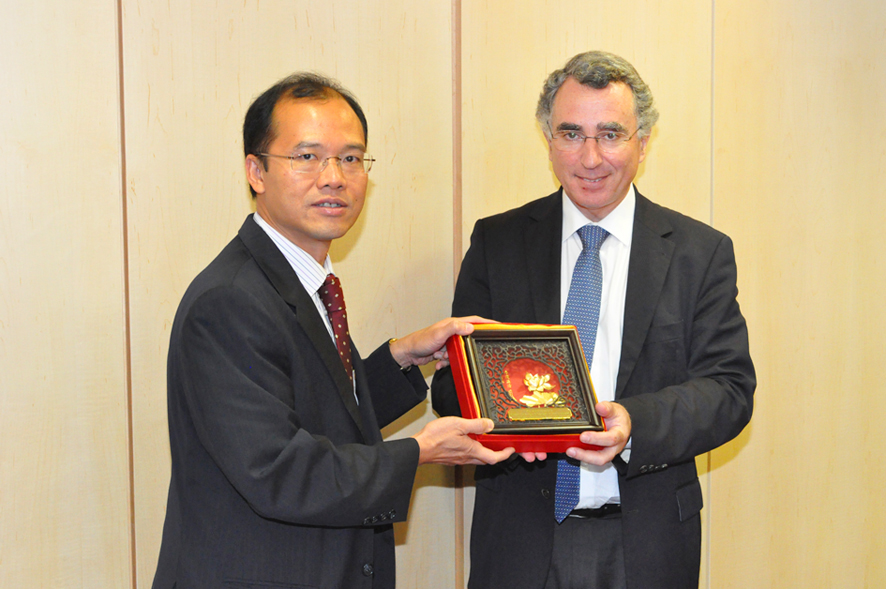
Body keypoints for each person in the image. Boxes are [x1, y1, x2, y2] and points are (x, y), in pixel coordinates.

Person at [151, 72, 513, 589]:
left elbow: (318, 412)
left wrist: (402, 358)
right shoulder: (229, 301)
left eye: (350, 158)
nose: (334, 177)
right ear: (256, 171)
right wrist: (419, 453)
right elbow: (279, 470)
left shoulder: (304, 280)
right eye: (307, 156)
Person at [431, 51, 755, 588]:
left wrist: (633, 423)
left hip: (646, 542)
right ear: (547, 139)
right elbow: (449, 388)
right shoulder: (498, 243)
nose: (590, 157)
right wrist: (508, 414)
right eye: (571, 133)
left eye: (610, 134)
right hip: (519, 539)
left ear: (643, 142)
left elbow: (729, 391)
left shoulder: (699, 253)